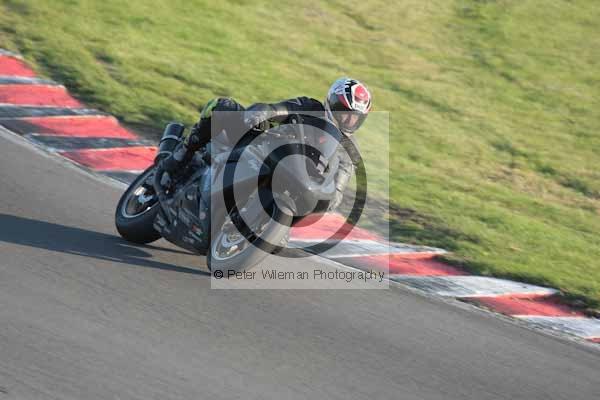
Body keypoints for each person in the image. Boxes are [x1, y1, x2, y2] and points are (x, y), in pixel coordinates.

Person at [155, 77, 372, 210]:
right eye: (345, 113)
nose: (349, 121)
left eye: (355, 118)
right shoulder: (310, 107)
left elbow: (339, 187)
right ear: (332, 103)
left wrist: (330, 198)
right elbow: (280, 109)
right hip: (262, 146)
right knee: (222, 106)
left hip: (293, 182)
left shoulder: (348, 150)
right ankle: (182, 154)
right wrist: (263, 113)